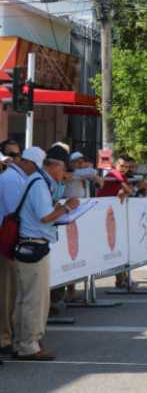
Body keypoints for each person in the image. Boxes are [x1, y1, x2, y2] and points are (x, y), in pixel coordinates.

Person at [13, 146, 79, 360]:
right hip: (34, 246)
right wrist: (67, 207)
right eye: (63, 169)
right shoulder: (40, 184)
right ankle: (29, 345)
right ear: (55, 166)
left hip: (28, 245)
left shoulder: (37, 181)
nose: (64, 174)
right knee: (35, 300)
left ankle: (22, 342)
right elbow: (45, 216)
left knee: (25, 299)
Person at [0, 147, 43, 357]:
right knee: (7, 293)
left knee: (13, 293)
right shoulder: (11, 179)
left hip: (11, 242)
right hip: (7, 243)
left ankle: (10, 335)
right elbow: (14, 212)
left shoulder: (15, 178)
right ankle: (5, 337)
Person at [96, 156, 133, 288]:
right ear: (115, 165)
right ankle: (121, 278)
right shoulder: (113, 174)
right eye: (122, 166)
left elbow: (126, 190)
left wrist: (123, 191)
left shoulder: (120, 175)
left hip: (111, 215)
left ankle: (121, 278)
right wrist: (124, 190)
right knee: (110, 247)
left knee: (118, 246)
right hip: (101, 214)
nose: (124, 169)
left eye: (127, 167)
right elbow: (129, 190)